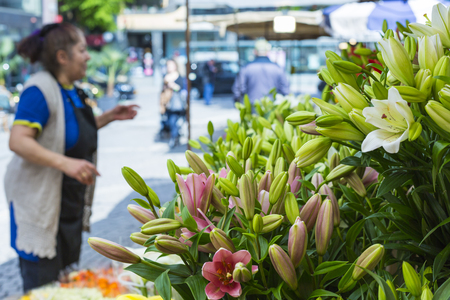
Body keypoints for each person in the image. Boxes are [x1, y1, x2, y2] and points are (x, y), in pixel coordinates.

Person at [5, 23, 139, 292]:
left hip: (67, 206)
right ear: (62, 57)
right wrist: (67, 164)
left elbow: (69, 134)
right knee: (42, 289)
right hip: (40, 207)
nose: (88, 56)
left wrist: (109, 117)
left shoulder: (72, 91)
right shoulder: (39, 90)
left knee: (65, 286)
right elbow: (18, 140)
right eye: (82, 50)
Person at [232, 39, 290, 103]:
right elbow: (285, 90)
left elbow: (238, 89)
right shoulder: (278, 68)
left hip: (251, 107)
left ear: (255, 51)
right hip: (272, 107)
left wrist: (237, 102)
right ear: (268, 51)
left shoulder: (246, 68)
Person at [158, 59, 186, 148]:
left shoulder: (179, 77)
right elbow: (162, 92)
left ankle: (174, 138)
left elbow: (182, 89)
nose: (169, 67)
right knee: (169, 121)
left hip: (176, 104)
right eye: (168, 65)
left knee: (173, 121)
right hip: (167, 103)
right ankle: (176, 135)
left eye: (171, 65)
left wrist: (173, 86)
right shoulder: (165, 76)